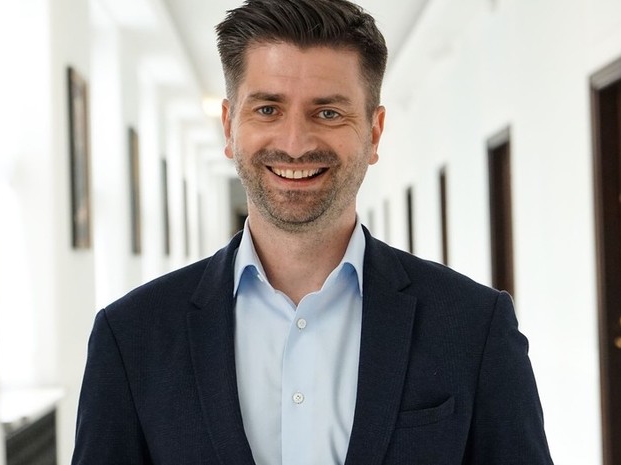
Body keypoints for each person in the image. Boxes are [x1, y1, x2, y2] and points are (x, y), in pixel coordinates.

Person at [71, 0, 554, 464]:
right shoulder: (130, 338)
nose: (295, 144)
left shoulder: (475, 327)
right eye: (267, 109)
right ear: (229, 126)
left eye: (328, 113)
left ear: (374, 133)